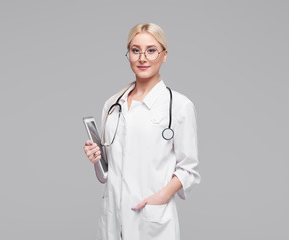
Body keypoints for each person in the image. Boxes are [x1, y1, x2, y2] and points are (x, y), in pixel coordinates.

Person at [83, 23, 201, 240]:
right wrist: (96, 159)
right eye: (135, 50)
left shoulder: (179, 106)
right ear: (128, 55)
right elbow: (107, 174)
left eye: (151, 50)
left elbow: (189, 169)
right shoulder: (112, 105)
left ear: (164, 55)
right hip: (111, 220)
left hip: (151, 221)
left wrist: (160, 198)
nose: (142, 58)